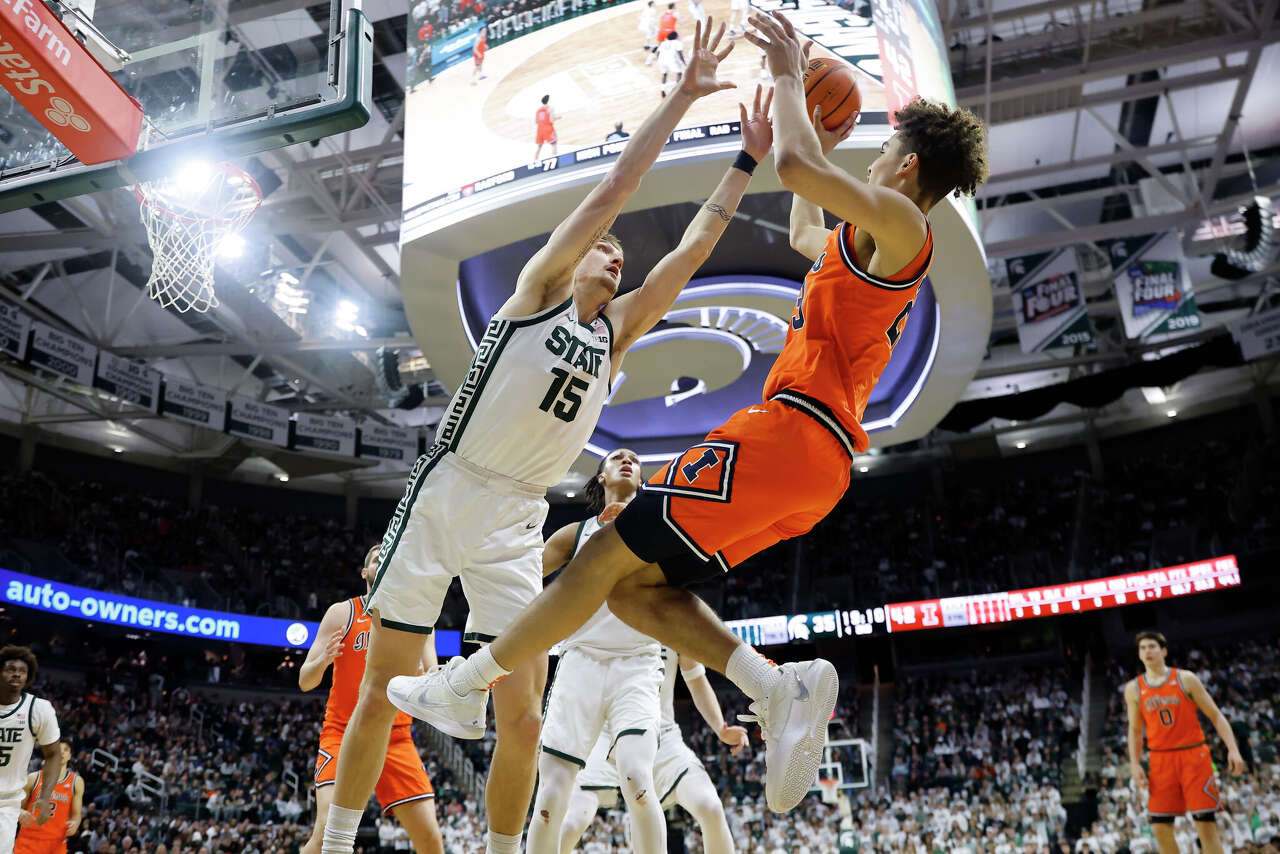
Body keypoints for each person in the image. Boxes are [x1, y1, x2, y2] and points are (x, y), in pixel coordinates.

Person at [392, 8, 990, 817]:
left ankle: (466, 683)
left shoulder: (907, 224)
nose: (874, 157)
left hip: (791, 434)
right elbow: (804, 216)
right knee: (634, 593)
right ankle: (773, 687)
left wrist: (787, 75)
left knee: (604, 550)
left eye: (883, 150)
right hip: (809, 467)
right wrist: (801, 121)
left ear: (910, 165)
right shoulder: (862, 242)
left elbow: (801, 168)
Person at [323, 19, 747, 854]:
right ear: (577, 255)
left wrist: (743, 163)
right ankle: (335, 842)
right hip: (452, 486)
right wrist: (681, 98)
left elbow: (692, 252)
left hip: (519, 519)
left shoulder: (614, 339)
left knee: (522, 715)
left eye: (621, 260)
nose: (616, 259)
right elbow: (617, 187)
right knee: (383, 685)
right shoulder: (541, 290)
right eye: (607, 252)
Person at [302, 546, 443, 854]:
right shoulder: (343, 612)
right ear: (364, 573)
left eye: (390, 554)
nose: (385, 559)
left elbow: (432, 670)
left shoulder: (420, 617)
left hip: (395, 737)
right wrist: (323, 661)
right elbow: (305, 680)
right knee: (326, 829)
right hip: (343, 733)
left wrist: (431, 675)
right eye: (377, 558)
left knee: (431, 840)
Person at [1124, 631, 1246, 854]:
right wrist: (1134, 763)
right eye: (1142, 648)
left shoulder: (1186, 678)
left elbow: (1216, 716)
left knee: (1205, 825)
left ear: (1164, 651)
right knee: (1160, 827)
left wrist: (1233, 749)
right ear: (1139, 655)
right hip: (1160, 760)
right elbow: (1134, 730)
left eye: (1152, 646)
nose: (1147, 651)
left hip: (1193, 755)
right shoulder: (1133, 689)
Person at [0, 646, 62, 853]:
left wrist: (45, 797)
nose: (17, 673)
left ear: (28, 677)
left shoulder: (39, 709)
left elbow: (53, 754)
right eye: (10, 668)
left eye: (22, 671)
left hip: (6, 802)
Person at [15, 741, 80, 854]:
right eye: (58, 749)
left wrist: (75, 823)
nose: (62, 752)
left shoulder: (77, 782)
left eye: (66, 750)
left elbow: (76, 815)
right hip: (29, 841)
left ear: (70, 756)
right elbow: (15, 807)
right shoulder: (33, 778)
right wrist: (21, 812)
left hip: (56, 844)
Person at [656, 32, 686, 98]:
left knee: (664, 74)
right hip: (671, 60)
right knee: (679, 73)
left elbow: (657, 53)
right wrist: (684, 63)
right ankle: (678, 91)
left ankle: (662, 90)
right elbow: (680, 55)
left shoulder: (663, 43)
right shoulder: (677, 43)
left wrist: (659, 60)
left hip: (661, 60)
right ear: (675, 37)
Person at [534, 94, 559, 161]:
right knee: (554, 144)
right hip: (548, 129)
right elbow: (551, 120)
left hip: (540, 129)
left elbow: (536, 121)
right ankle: (554, 160)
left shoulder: (538, 110)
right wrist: (558, 118)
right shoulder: (550, 108)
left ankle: (535, 160)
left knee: (539, 147)